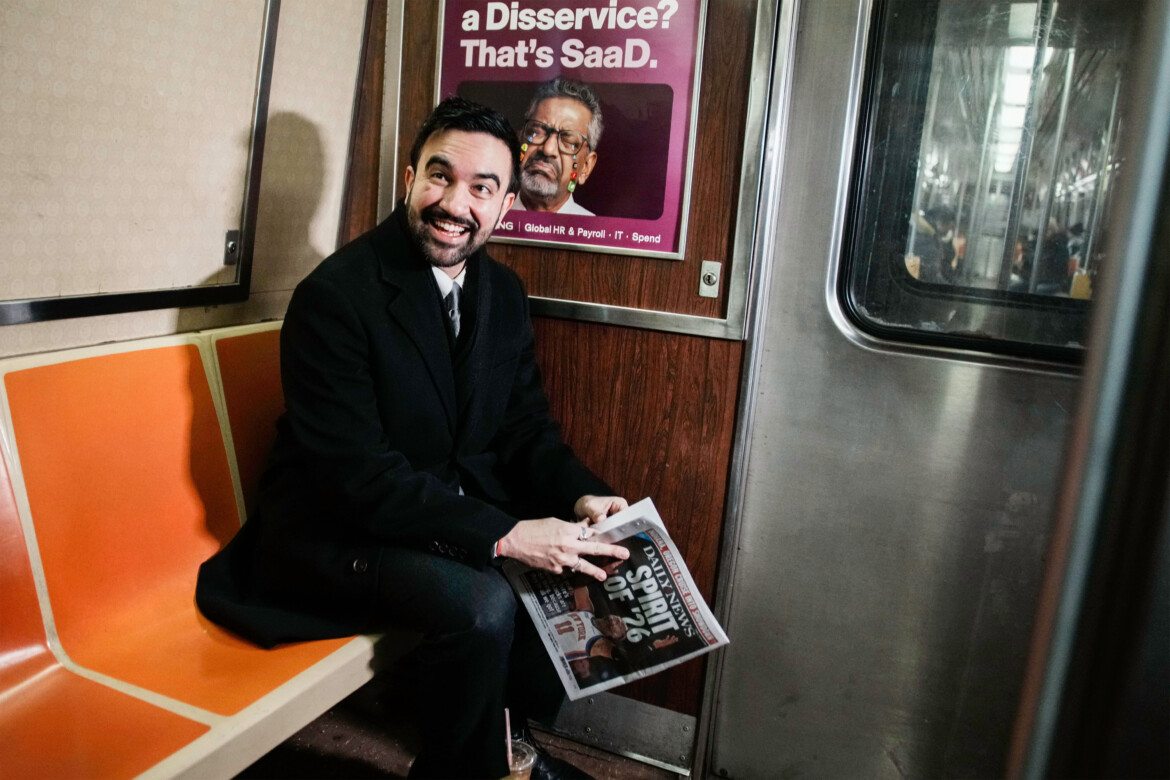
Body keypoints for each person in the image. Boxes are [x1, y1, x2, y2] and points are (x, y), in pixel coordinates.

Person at [195, 96, 631, 780]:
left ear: (507, 205)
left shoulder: (504, 295)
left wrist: (586, 499)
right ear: (409, 175)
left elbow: (525, 432)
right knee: (484, 601)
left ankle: (504, 748)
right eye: (439, 175)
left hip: (425, 517)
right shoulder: (336, 296)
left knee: (584, 560)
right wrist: (506, 535)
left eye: (482, 188)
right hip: (333, 533)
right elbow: (356, 477)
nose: (455, 203)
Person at [513, 77, 602, 216]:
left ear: (586, 167)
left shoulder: (596, 234)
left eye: (568, 140)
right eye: (537, 132)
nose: (548, 149)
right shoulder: (488, 217)